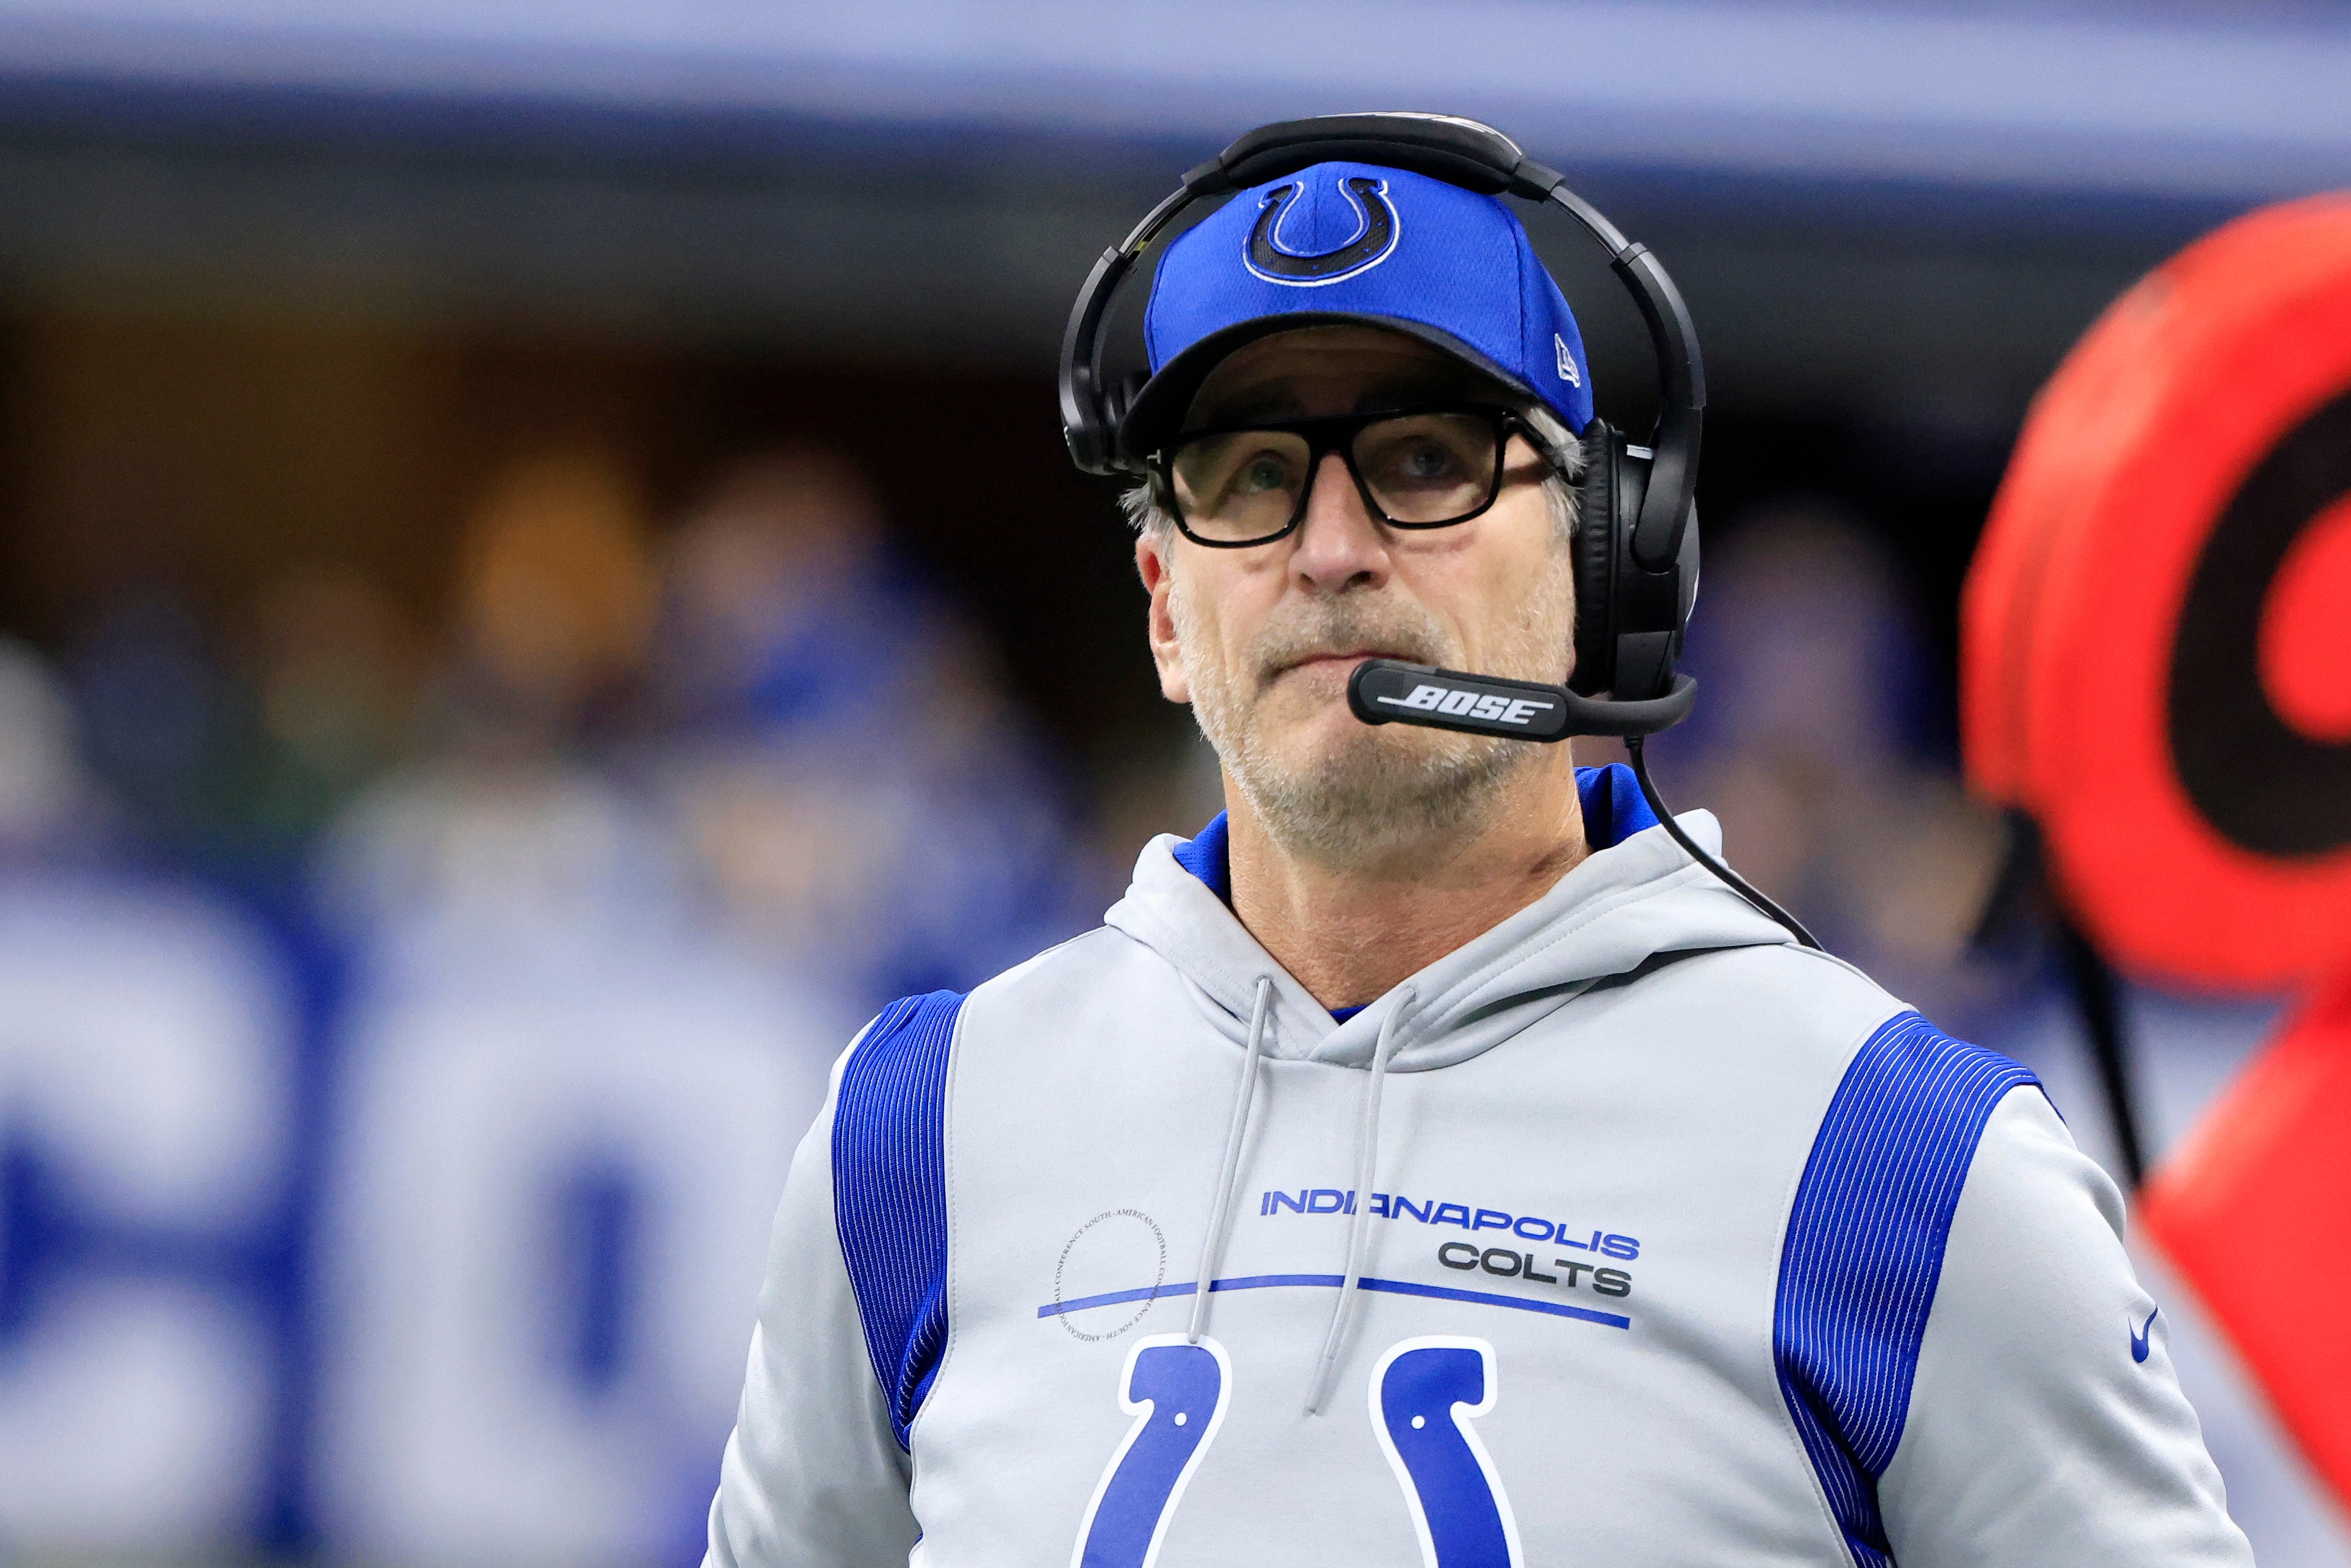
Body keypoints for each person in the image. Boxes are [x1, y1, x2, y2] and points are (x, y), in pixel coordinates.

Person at [704, 122, 2251, 1567]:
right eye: (1248, 477)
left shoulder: (1897, 1159)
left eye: (1426, 461)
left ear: (1603, 568)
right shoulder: (919, 1132)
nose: (1327, 548)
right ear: (1169, 608)